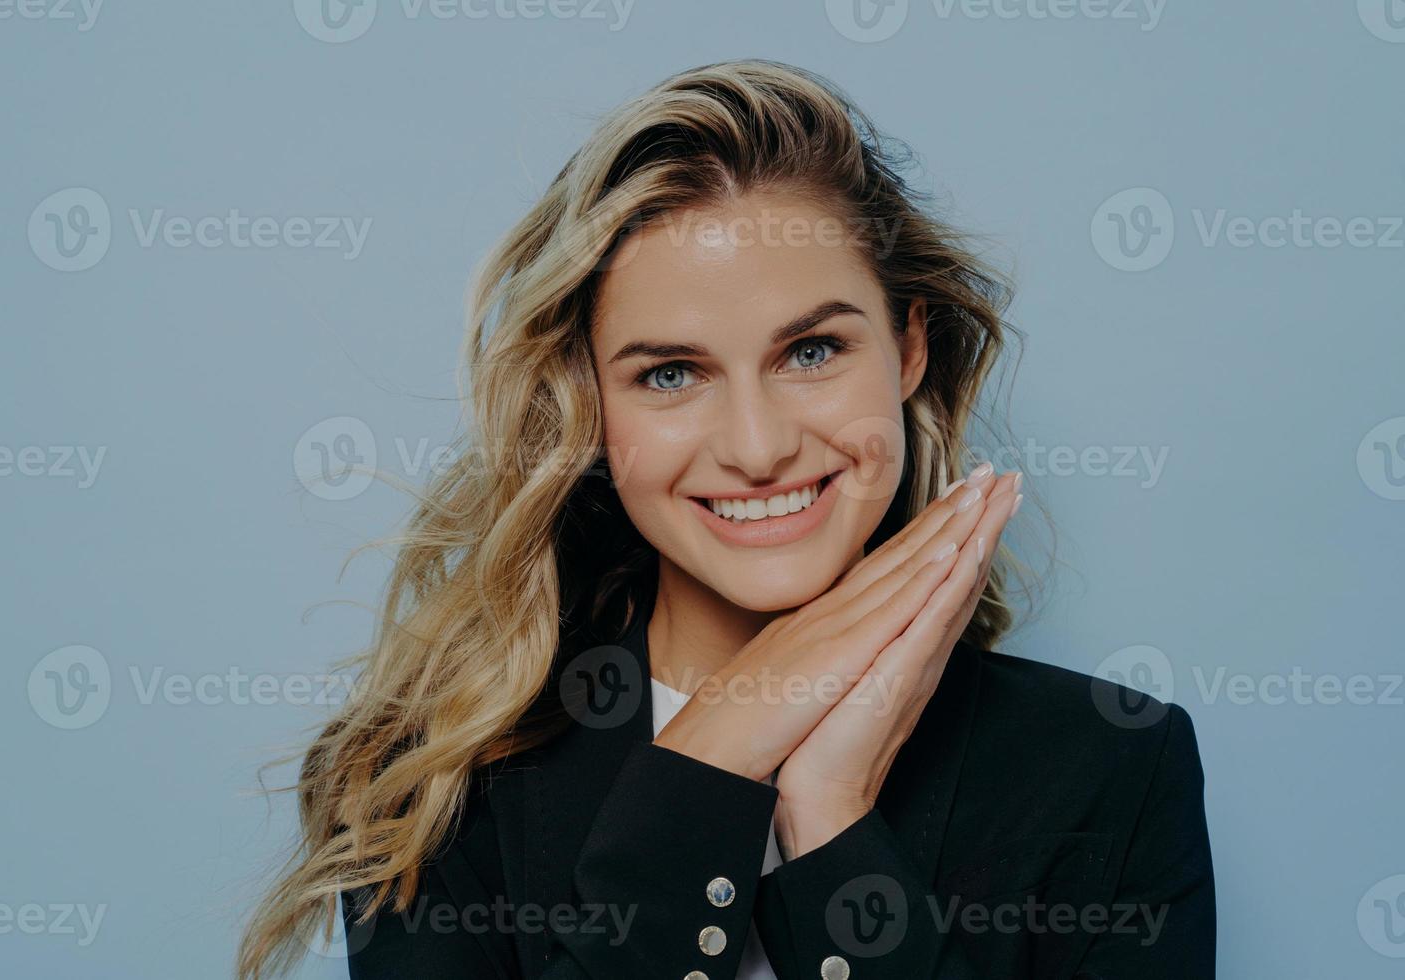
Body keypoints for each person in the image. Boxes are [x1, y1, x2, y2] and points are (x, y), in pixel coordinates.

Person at [237, 58, 1215, 980]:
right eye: (670, 372)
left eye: (813, 351)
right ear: (590, 406)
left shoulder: (1111, 771)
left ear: (908, 348)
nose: (756, 446)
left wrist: (827, 818)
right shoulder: (425, 786)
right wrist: (707, 763)